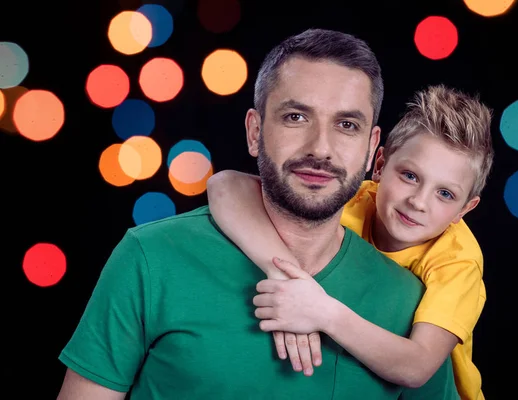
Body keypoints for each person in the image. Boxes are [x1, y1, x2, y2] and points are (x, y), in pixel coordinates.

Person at [56, 28, 459, 399]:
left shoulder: (407, 302)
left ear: (372, 148)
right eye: (296, 117)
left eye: (347, 125)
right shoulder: (151, 258)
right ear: (254, 131)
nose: (321, 148)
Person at [207, 84, 493, 399]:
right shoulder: (356, 198)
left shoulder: (457, 261)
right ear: (380, 165)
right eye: (410, 176)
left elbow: (417, 367)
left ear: (465, 209)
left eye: (445, 194)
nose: (418, 202)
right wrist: (281, 272)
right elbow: (225, 185)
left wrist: (322, 312)